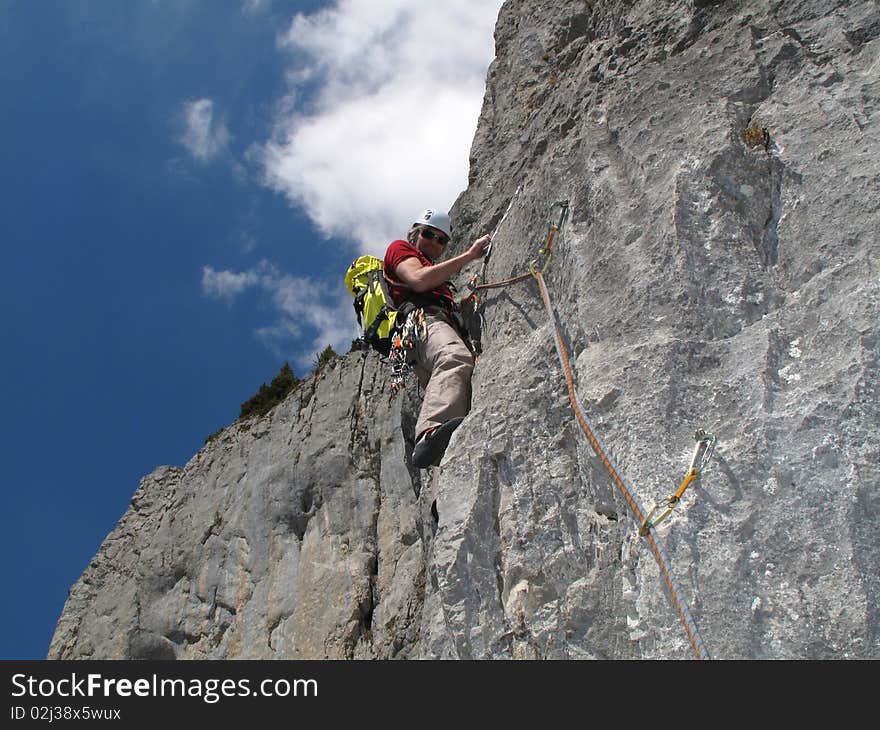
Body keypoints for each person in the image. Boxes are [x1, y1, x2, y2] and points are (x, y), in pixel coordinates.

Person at [384, 208, 491, 468]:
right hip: (424, 323)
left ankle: (440, 485)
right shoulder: (402, 249)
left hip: (428, 332)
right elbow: (418, 281)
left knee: (457, 392)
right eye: (429, 234)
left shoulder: (435, 273)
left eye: (441, 239)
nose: (434, 242)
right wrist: (469, 256)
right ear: (415, 232)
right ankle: (430, 431)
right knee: (454, 358)